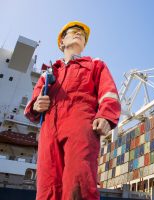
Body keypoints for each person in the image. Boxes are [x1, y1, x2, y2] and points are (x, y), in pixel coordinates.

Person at [25, 21, 121, 200]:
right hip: (48, 131)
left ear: (84, 44)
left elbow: (109, 93)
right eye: (74, 31)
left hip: (80, 124)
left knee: (80, 180)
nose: (79, 34)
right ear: (61, 42)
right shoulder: (48, 74)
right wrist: (36, 106)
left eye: (82, 35)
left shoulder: (95, 64)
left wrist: (106, 116)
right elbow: (32, 106)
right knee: (48, 185)